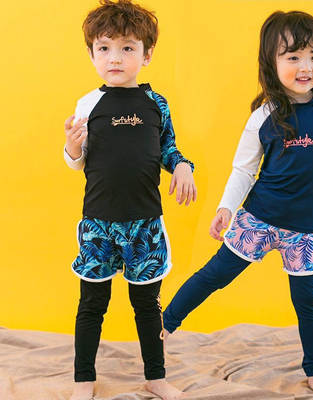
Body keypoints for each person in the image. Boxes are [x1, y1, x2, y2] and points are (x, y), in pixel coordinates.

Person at [162, 10, 313, 400]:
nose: (305, 67)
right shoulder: (264, 117)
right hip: (259, 219)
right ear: (272, 63)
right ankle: (163, 327)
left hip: (310, 231)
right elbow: (244, 170)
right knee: (214, 275)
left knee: (308, 303)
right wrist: (225, 208)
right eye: (293, 57)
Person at [63, 1, 196, 399]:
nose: (115, 58)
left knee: (147, 305)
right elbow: (77, 161)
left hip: (145, 224)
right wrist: (72, 148)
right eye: (104, 48)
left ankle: (156, 377)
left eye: (127, 48)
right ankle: (84, 379)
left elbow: (168, 149)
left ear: (146, 54)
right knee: (92, 304)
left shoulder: (157, 104)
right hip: (98, 223)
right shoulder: (87, 104)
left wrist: (183, 165)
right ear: (91, 54)